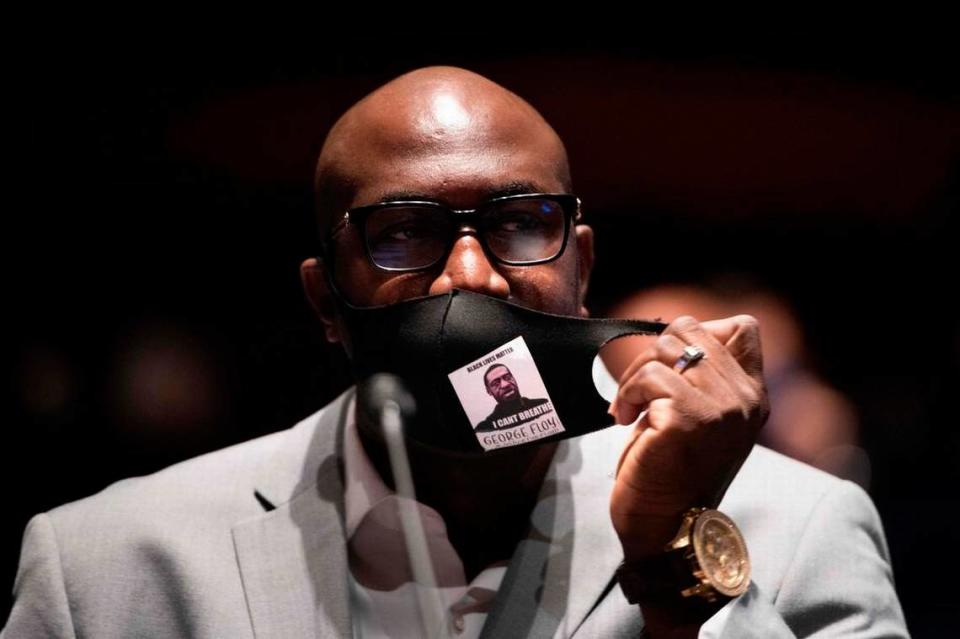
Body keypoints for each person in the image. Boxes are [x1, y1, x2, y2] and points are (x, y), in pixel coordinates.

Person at [2, 66, 908, 638]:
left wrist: (675, 554)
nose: (470, 276)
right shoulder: (108, 569)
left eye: (521, 224)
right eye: (404, 234)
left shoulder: (798, 532)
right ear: (326, 299)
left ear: (581, 266)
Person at [475, 364, 552, 433]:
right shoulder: (485, 427)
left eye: (508, 377)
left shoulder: (543, 404)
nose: (505, 384)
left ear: (514, 378)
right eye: (495, 383)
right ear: (489, 391)